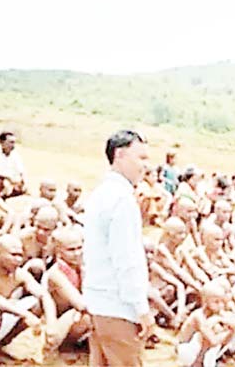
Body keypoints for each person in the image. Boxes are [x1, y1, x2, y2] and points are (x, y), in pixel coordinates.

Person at [82, 130, 153, 367]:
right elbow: (126, 260)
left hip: (99, 302)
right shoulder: (122, 200)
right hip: (118, 305)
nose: (145, 166)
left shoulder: (101, 194)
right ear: (120, 155)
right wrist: (141, 308)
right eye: (141, 158)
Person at [0, 234, 57, 363]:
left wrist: (52, 324)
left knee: (37, 305)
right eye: (13, 255)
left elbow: (43, 295)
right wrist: (24, 314)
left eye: (20, 255)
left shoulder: (20, 274)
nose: (18, 260)